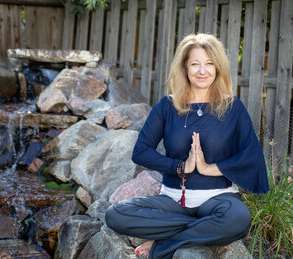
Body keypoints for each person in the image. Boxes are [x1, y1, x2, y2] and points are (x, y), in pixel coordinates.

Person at [105, 33, 269, 259]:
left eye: (209, 64)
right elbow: (141, 151)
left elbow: (252, 156)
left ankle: (163, 245)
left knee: (238, 218)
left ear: (218, 67)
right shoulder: (166, 106)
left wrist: (209, 168)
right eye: (195, 64)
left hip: (219, 200)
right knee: (116, 214)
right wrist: (180, 166)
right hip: (173, 201)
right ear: (184, 67)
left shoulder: (232, 107)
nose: (203, 71)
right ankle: (208, 230)